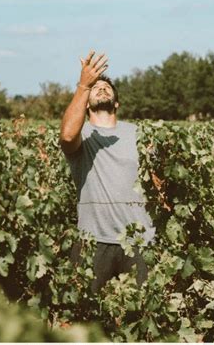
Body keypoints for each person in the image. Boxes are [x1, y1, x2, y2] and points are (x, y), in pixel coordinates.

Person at [59, 50, 155, 294]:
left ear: (117, 102)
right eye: (96, 88)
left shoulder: (140, 134)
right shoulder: (83, 135)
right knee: (82, 318)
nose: (101, 88)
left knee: (144, 318)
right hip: (93, 241)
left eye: (106, 87)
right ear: (86, 103)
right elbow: (67, 136)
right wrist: (83, 85)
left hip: (139, 242)